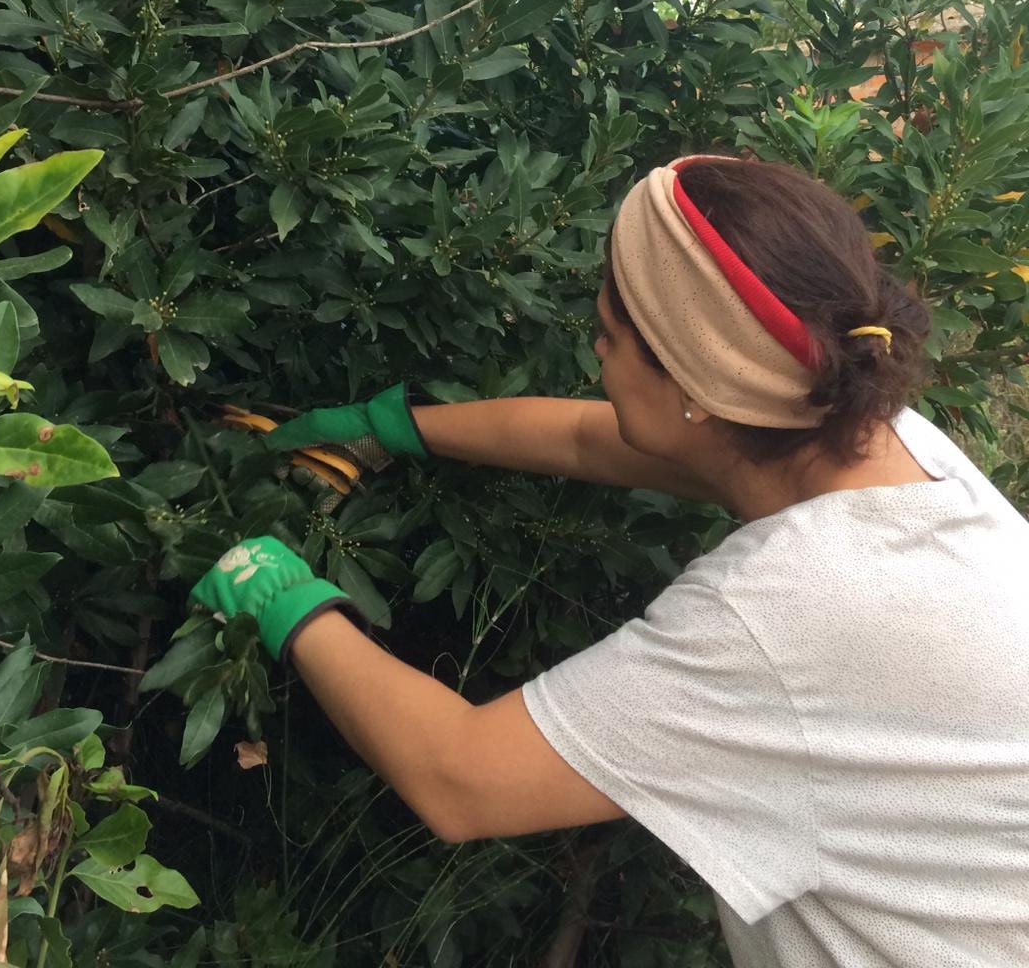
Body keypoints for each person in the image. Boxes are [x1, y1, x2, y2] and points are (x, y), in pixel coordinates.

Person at [191, 154, 1029, 968]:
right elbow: (594, 437)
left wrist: (277, 591)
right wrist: (395, 427)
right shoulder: (876, 438)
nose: (596, 355)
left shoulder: (791, 612)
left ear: (695, 388)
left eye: (608, 336)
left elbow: (459, 778)